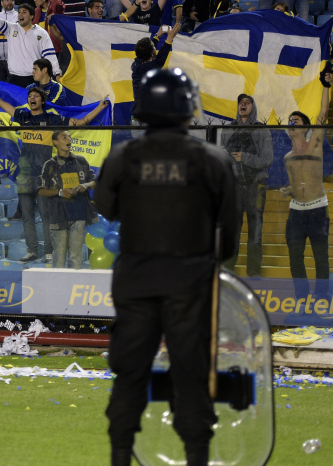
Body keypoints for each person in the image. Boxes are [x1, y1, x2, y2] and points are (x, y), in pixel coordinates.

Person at [95, 68, 238, 466]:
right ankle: (196, 456)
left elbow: (105, 206)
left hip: (136, 279)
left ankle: (121, 455)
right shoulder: (213, 159)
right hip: (191, 282)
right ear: (187, 107)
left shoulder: (122, 156)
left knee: (130, 374)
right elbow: (228, 234)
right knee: (192, 374)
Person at [0, 84, 109, 260]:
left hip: (44, 178)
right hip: (25, 177)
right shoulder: (22, 117)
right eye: (29, 96)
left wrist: (99, 107)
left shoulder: (53, 120)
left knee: (47, 218)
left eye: (36, 96)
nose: (32, 98)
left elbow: (81, 122)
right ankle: (32, 251)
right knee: (27, 217)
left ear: (43, 101)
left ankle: (49, 252)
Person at [281, 83, 331, 305]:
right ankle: (302, 296)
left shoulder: (315, 144)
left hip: (317, 209)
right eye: (289, 120)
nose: (291, 122)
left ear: (305, 126)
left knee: (320, 258)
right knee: (295, 258)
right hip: (296, 213)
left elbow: (322, 113)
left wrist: (327, 86)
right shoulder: (287, 157)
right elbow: (295, 185)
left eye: (296, 120)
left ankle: (322, 297)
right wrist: (288, 190)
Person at [219, 94, 272, 277]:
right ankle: (228, 272)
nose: (243, 104)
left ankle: (254, 273)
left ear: (253, 107)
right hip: (234, 188)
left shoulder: (261, 130)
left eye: (247, 102)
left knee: (255, 232)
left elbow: (267, 159)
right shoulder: (228, 130)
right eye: (240, 102)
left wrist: (245, 158)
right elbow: (222, 157)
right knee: (232, 232)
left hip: (255, 186)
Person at [38, 130, 97, 269]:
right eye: (64, 137)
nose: (68, 139)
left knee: (75, 258)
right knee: (58, 257)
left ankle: (73, 289)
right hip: (58, 216)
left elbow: (94, 181)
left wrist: (85, 185)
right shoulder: (49, 165)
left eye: (69, 137)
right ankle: (57, 290)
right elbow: (41, 190)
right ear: (55, 143)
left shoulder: (81, 161)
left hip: (79, 214)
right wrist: (59, 192)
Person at [0, 0, 59, 88]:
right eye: (19, 12)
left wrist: (57, 72)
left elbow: (50, 55)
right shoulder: (11, 28)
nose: (20, 14)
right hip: (14, 78)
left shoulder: (42, 33)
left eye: (24, 12)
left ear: (31, 16)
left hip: (34, 77)